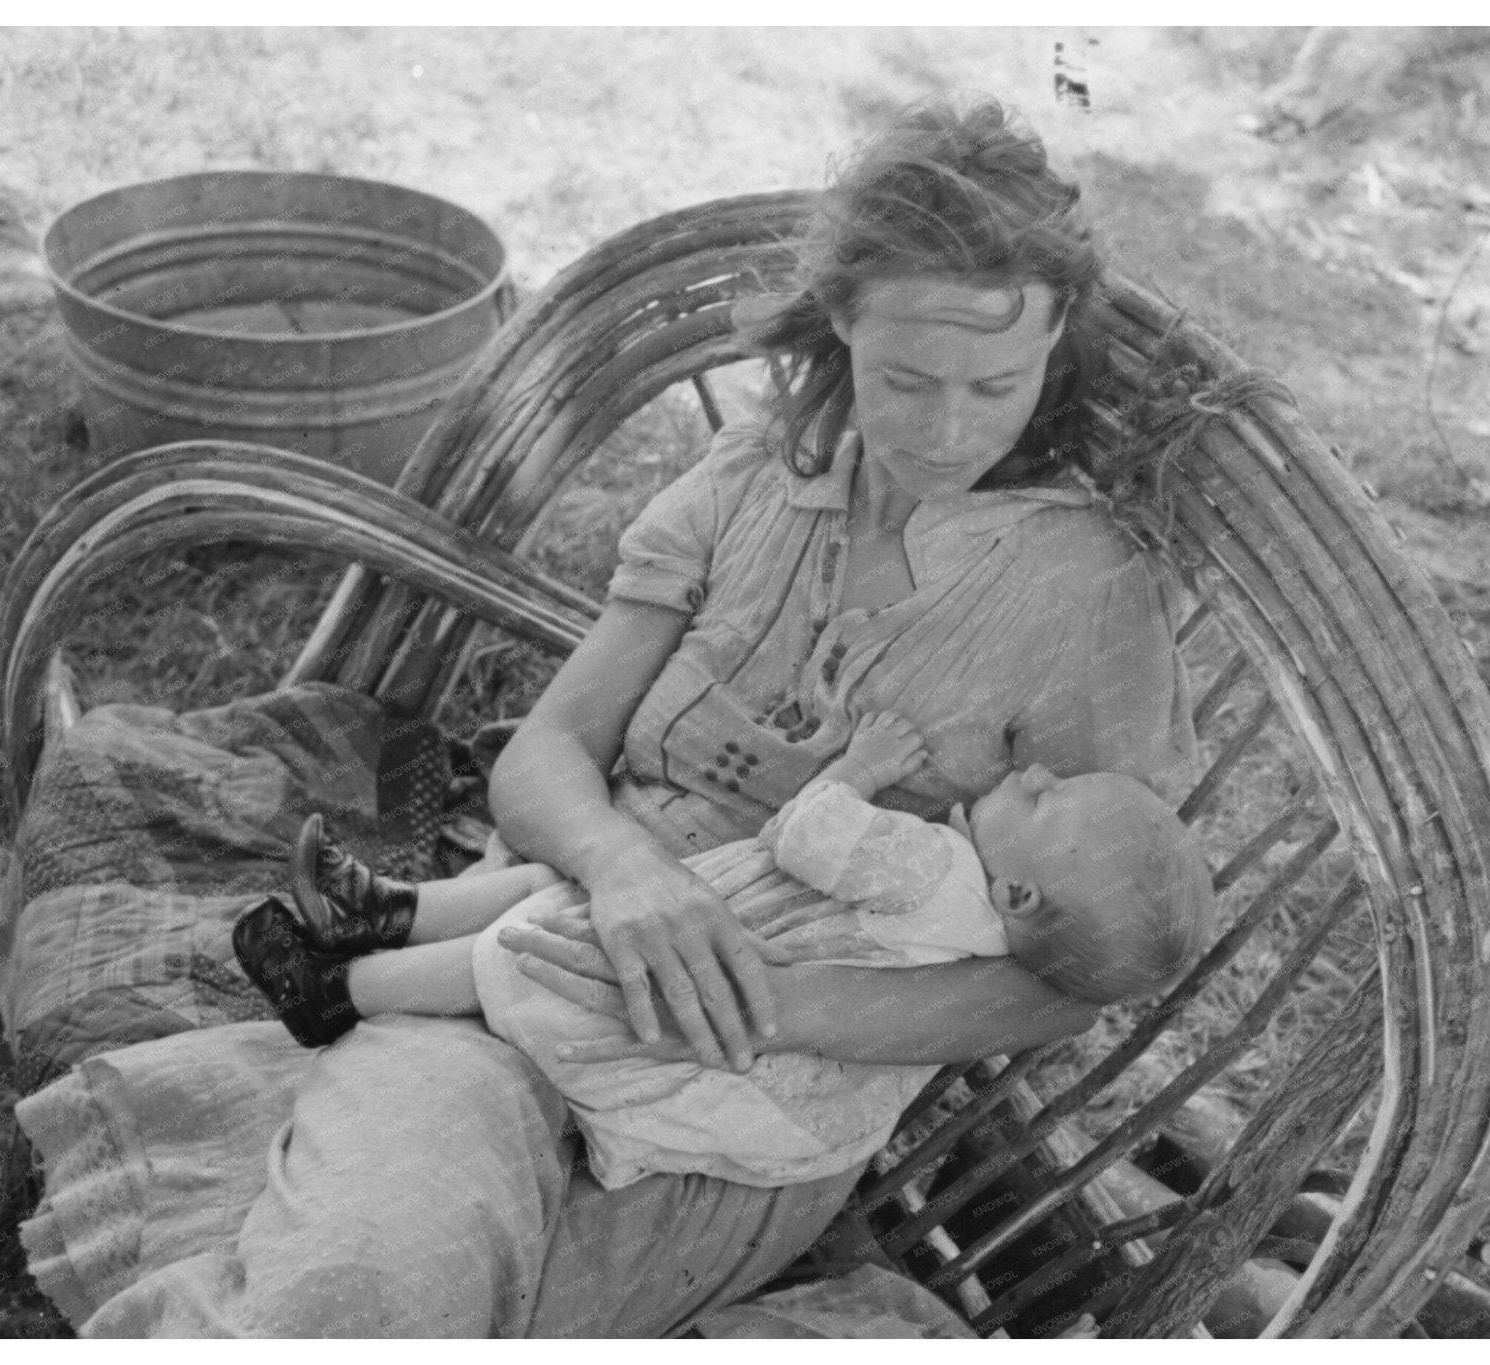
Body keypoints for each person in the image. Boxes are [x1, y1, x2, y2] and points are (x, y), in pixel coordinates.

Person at [92, 95, 1202, 1337]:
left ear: (1058, 343)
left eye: (997, 384)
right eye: (905, 378)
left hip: (755, 1095)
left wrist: (773, 1002)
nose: (948, 430)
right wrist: (627, 878)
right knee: (368, 1285)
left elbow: (1081, 965)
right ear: (839, 322)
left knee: (504, 1306)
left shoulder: (1085, 588)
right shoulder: (748, 482)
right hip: (529, 969)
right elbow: (547, 754)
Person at [231, 710, 1212, 1190]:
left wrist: (859, 768)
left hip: (693, 991)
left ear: (1021, 890)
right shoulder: (979, 929)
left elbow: (806, 836)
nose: (1033, 771)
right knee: (565, 894)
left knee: (529, 942)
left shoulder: (938, 875)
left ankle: (342, 985)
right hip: (763, 1092)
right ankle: (384, 910)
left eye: (1042, 798)